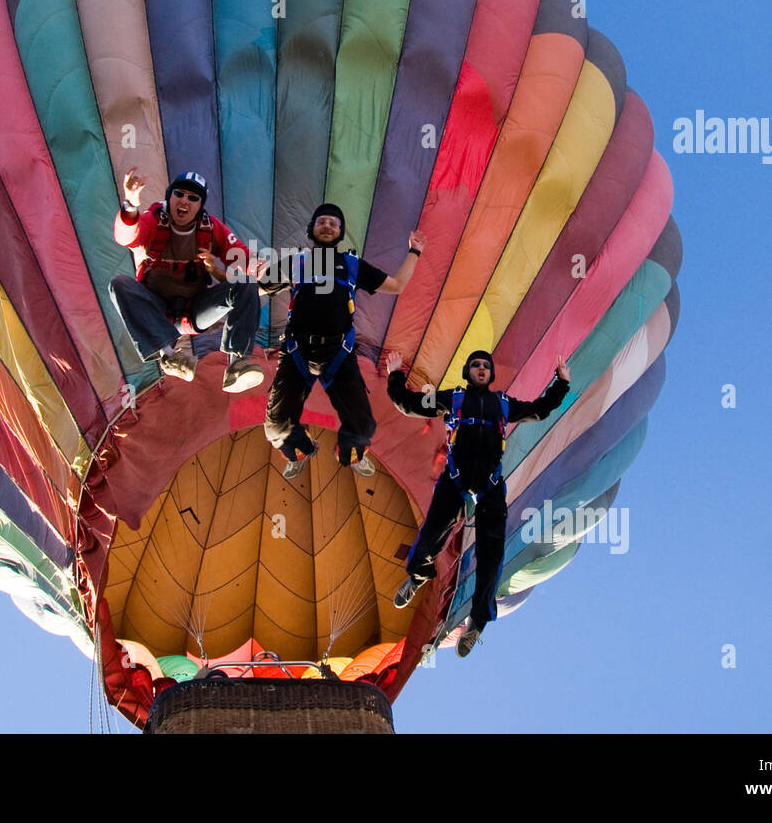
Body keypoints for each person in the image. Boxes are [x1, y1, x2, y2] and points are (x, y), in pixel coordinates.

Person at [386, 348, 570, 657]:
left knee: (491, 557)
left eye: (486, 366)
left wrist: (561, 382)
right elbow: (410, 404)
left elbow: (539, 410)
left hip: (490, 487)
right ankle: (418, 575)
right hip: (454, 482)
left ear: (491, 374)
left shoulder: (503, 404)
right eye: (476, 365)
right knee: (429, 538)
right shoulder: (452, 398)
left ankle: (476, 622)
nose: (481, 369)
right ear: (468, 372)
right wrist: (394, 376)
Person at [262, 203, 425, 479]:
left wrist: (415, 251)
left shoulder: (351, 264)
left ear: (340, 233)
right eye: (322, 221)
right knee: (276, 427)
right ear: (312, 229)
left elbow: (396, 286)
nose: (327, 226)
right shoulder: (296, 261)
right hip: (296, 350)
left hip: (338, 352)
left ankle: (351, 454)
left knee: (363, 428)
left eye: (334, 224)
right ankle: (300, 451)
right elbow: (257, 287)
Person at [109, 168, 265, 392]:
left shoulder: (210, 228)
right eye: (179, 194)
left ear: (200, 205)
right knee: (119, 284)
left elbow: (241, 257)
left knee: (247, 283)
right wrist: (130, 204)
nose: (184, 201)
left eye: (193, 198)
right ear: (169, 196)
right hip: (157, 313)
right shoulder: (154, 220)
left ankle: (237, 364)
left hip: (193, 312)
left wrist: (260, 267)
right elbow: (127, 237)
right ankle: (171, 357)